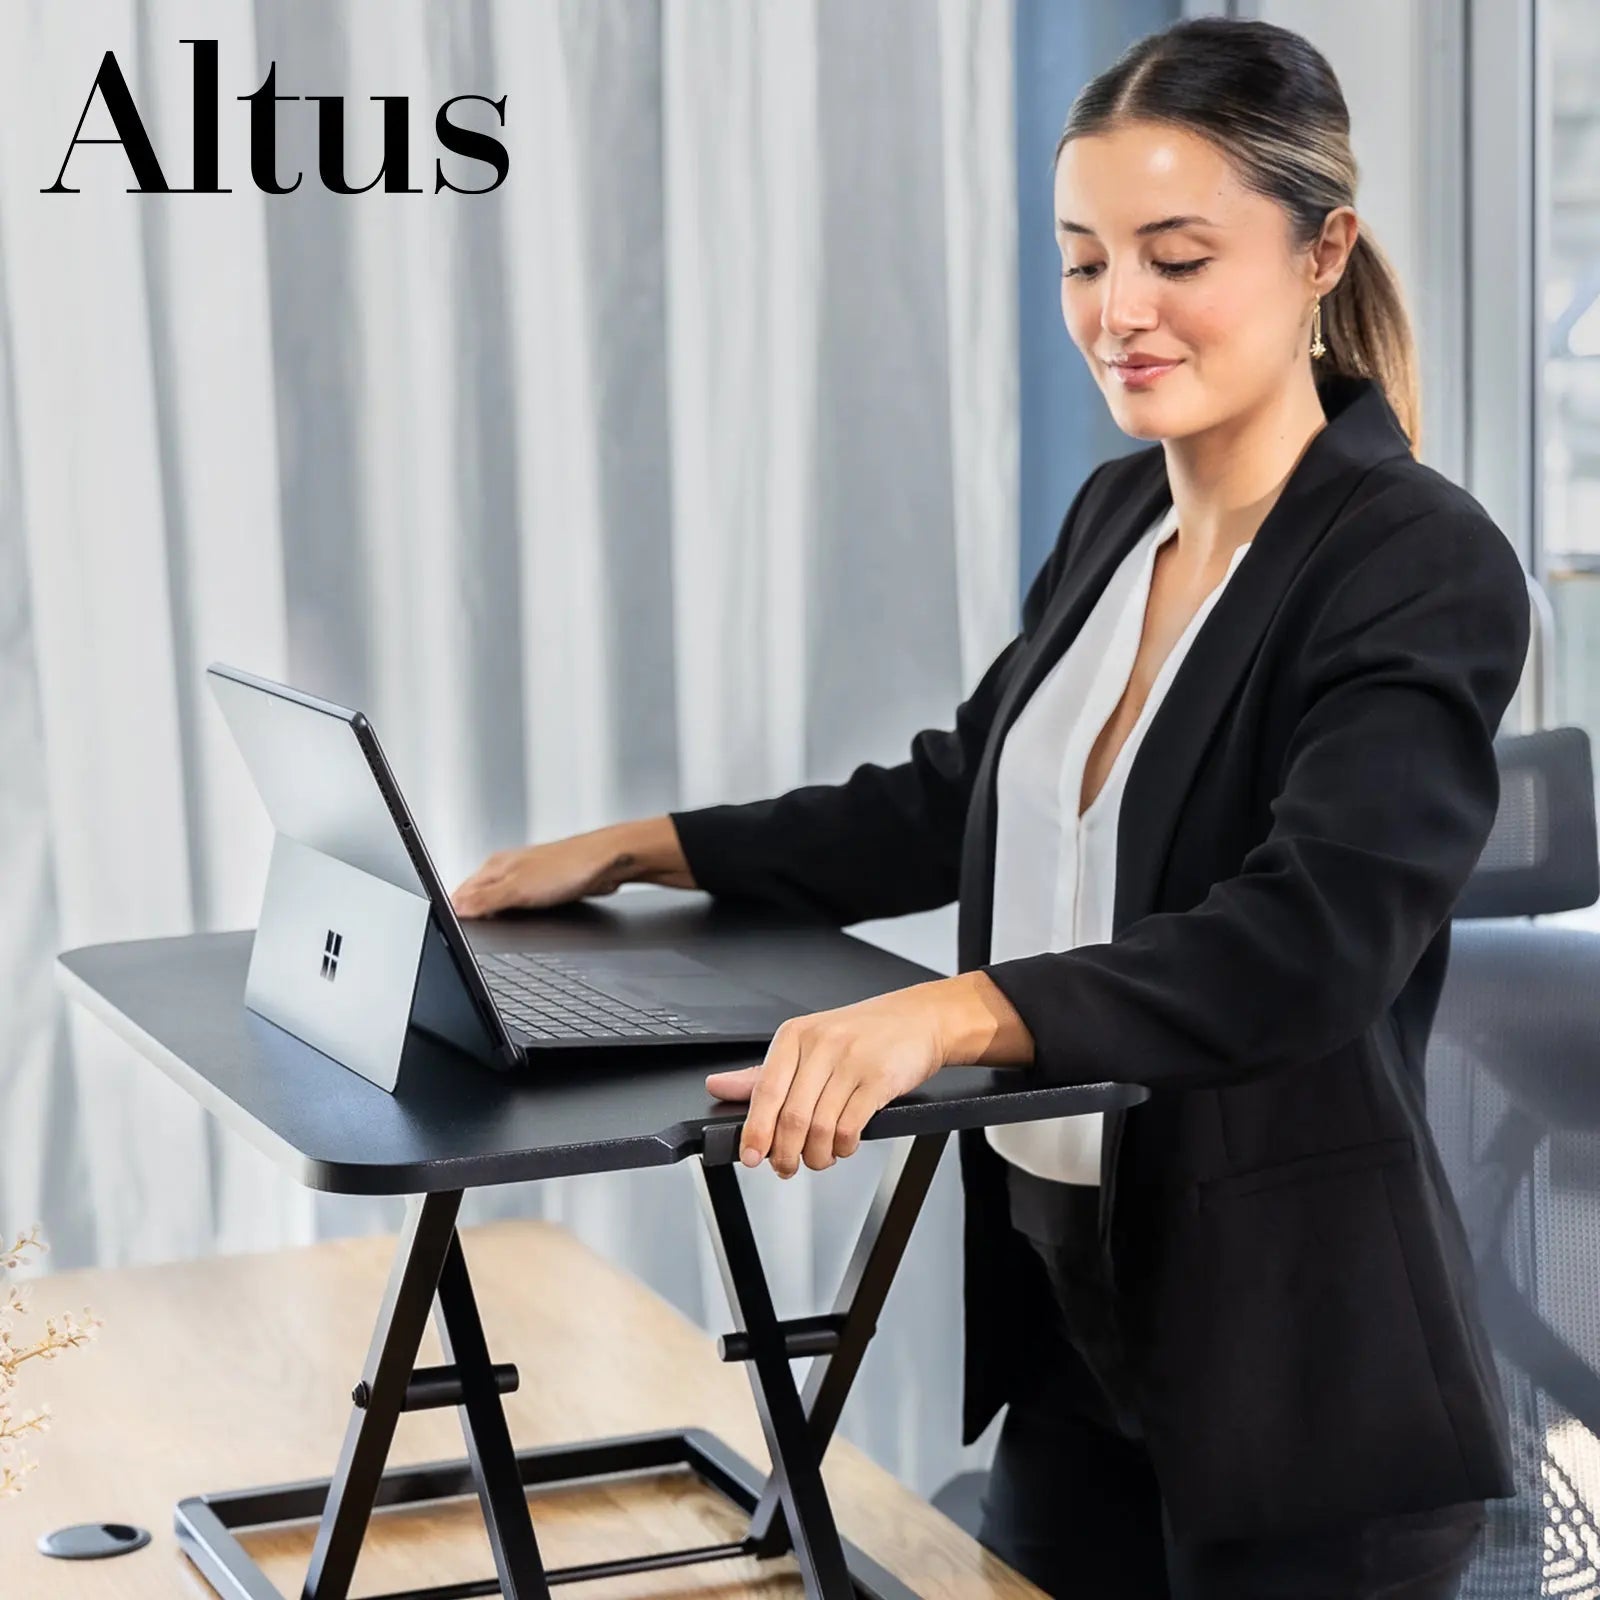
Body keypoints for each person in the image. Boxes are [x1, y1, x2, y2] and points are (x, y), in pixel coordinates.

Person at [453, 17, 1529, 1597]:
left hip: (1298, 1379)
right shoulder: (1119, 518)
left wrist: (950, 1016)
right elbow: (962, 796)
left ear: (1323, 253)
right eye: (1085, 261)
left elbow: (1310, 943)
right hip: (1075, 1327)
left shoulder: (1414, 561)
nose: (1122, 312)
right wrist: (650, 846)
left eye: (1177, 256)